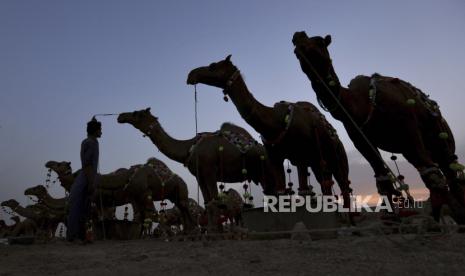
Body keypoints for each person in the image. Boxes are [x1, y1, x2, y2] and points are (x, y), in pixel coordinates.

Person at [66, 117, 101, 242]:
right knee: (78, 206)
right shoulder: (91, 142)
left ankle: (81, 235)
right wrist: (91, 182)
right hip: (87, 177)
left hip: (88, 176)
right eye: (99, 130)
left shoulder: (89, 142)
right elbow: (87, 164)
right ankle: (74, 236)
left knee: (85, 207)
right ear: (95, 130)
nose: (101, 132)